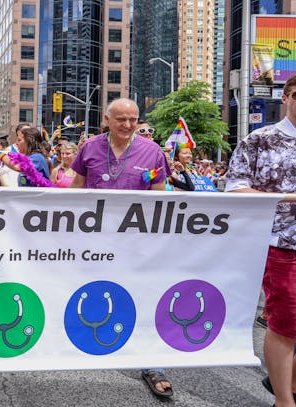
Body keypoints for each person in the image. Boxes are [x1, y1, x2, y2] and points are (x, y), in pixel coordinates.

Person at [69, 98, 174, 399]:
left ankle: (153, 365)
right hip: (93, 241)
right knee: (89, 291)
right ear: (107, 119)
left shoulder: (152, 152)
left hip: (136, 242)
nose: (128, 125)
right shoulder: (89, 148)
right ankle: (75, 346)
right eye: (121, 119)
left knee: (144, 296)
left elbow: (159, 198)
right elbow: (74, 191)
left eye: (133, 119)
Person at [225, 71, 296, 407]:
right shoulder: (260, 139)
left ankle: (289, 382)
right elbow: (236, 188)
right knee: (287, 326)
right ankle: (285, 401)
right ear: (285, 97)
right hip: (282, 243)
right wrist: (294, 198)